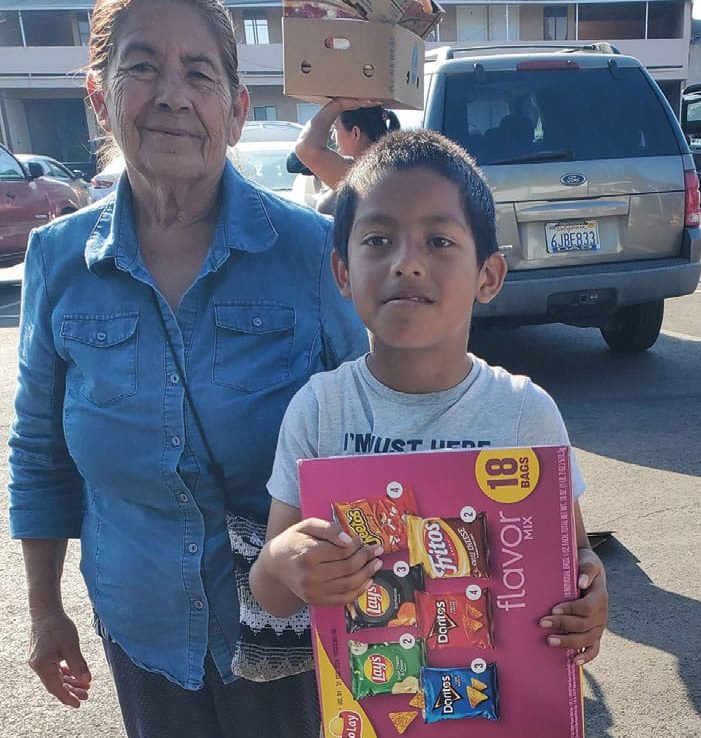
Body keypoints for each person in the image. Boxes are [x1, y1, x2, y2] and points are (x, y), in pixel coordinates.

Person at [7, 2, 367, 738]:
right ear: (100, 96)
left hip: (293, 626)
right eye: (142, 66)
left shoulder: (311, 252)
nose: (172, 93)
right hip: (142, 631)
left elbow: (386, 419)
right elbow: (40, 455)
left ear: (235, 111)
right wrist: (46, 613)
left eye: (198, 73)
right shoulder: (57, 261)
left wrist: (548, 564)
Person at [250, 130, 608, 667]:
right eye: (377, 240)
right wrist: (282, 561)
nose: (407, 263)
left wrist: (590, 600)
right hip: (368, 703)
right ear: (342, 273)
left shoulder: (525, 412)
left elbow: (572, 561)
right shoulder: (320, 409)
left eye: (439, 241)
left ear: (488, 275)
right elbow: (271, 595)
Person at [292, 99, 400, 215]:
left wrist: (338, 104)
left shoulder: (362, 172)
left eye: (335, 128)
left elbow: (305, 147)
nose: (333, 137)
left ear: (355, 133)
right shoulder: (390, 165)